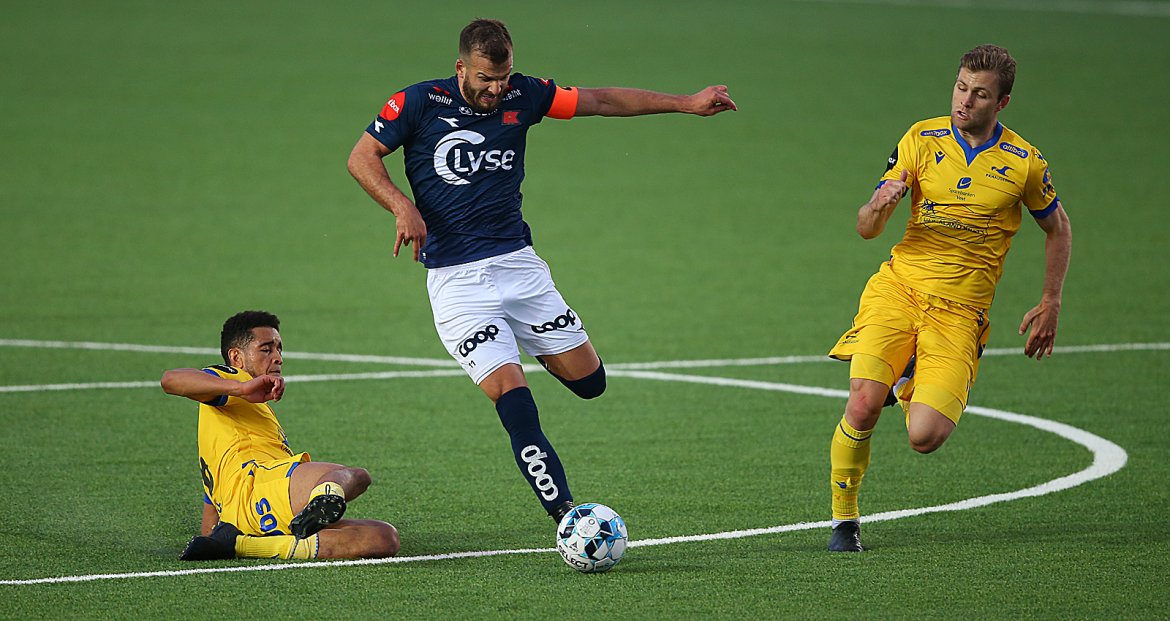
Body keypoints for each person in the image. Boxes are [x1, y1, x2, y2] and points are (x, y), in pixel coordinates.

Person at [347, 19, 736, 526]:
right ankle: (568, 517)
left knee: (591, 383)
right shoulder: (418, 103)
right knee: (515, 401)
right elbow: (362, 157)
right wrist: (402, 206)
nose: (496, 88)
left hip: (520, 270)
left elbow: (599, 100)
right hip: (458, 285)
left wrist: (686, 102)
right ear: (461, 67)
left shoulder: (525, 94)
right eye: (486, 78)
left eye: (503, 77)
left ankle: (528, 346)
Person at [825, 44, 1072, 552]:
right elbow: (866, 229)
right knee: (863, 402)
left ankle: (911, 377)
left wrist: (1051, 300)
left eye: (979, 94)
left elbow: (1058, 229)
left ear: (1001, 103)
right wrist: (879, 204)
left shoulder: (1024, 163)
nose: (964, 101)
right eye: (961, 87)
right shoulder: (921, 138)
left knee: (925, 437)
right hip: (899, 289)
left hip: (960, 312)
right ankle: (844, 521)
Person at [162, 310, 399, 560]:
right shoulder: (231, 380)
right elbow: (171, 380)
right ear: (236, 357)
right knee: (354, 476)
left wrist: (212, 539)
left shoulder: (242, 417)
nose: (278, 358)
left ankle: (244, 544)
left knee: (384, 537)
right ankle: (321, 501)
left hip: (250, 510)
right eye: (266, 349)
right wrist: (241, 387)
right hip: (257, 489)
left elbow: (212, 504)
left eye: (279, 349)